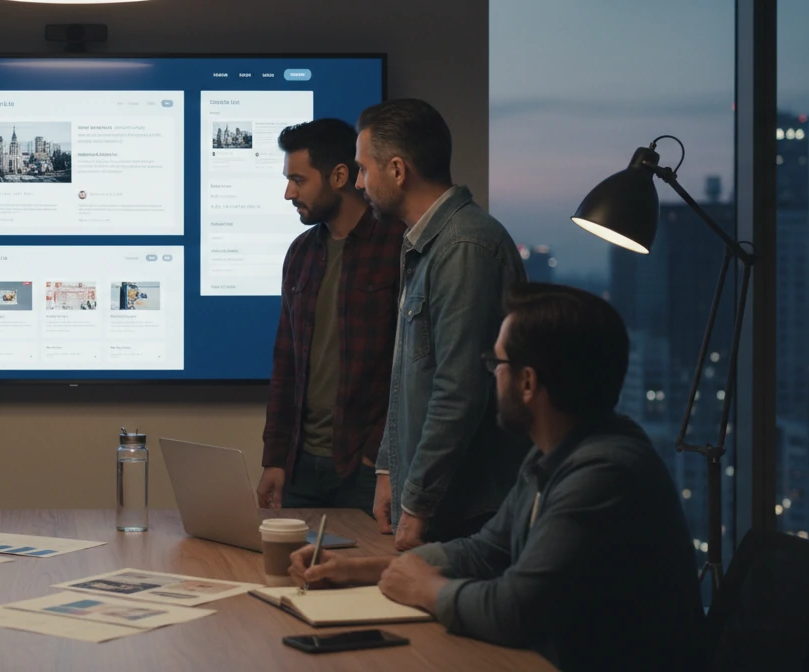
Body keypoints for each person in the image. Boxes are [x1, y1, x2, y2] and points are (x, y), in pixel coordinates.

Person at [288, 283, 705, 671]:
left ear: (527, 382)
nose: (492, 374)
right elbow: (485, 553)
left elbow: (514, 610)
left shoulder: (604, 473)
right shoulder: (555, 451)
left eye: (497, 362)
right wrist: (359, 569)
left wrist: (425, 590)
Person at [354, 99, 530, 549]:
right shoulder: (426, 245)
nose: (359, 184)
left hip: (465, 510)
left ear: (397, 170)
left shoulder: (464, 247)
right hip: (443, 502)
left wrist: (417, 503)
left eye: (363, 169)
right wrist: (390, 469)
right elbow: (409, 375)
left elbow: (459, 389)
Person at [256, 118, 406, 511]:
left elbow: (408, 366)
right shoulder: (301, 253)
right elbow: (285, 362)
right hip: (300, 466)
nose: (289, 193)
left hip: (364, 468)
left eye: (299, 180)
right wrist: (274, 458)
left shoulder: (398, 246)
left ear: (339, 175)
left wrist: (376, 454)